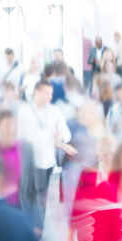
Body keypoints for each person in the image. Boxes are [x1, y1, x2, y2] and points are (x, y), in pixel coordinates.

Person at [20, 80, 77, 225]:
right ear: (36, 93)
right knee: (27, 199)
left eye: (51, 94)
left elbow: (66, 133)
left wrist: (60, 137)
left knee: (41, 201)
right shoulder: (24, 111)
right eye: (47, 93)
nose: (50, 97)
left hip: (47, 163)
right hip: (28, 162)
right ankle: (28, 231)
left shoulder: (54, 111)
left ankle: (37, 235)